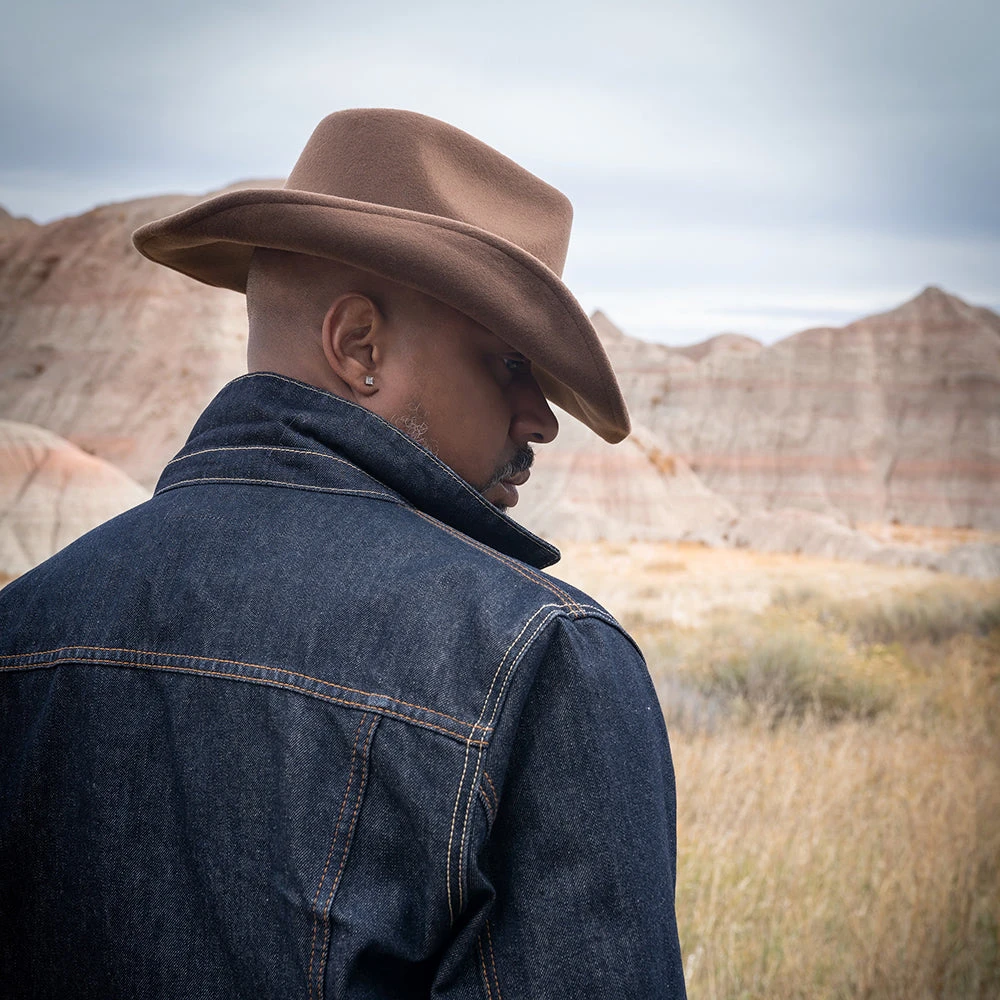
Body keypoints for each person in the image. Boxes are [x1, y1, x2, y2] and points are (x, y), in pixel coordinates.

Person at [0, 109, 685, 998]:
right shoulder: (542, 660)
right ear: (360, 346)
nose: (542, 422)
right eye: (509, 364)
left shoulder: (24, 623)